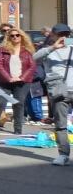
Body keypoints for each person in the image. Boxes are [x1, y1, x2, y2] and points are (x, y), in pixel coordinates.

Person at [34, 23, 72, 165]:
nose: (63, 37)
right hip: (58, 91)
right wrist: (53, 47)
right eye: (60, 34)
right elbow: (32, 59)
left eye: (66, 34)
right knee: (60, 125)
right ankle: (63, 155)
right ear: (53, 35)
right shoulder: (47, 51)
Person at [0, 28, 37, 135]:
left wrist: (22, 77)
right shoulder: (2, 49)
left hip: (22, 82)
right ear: (8, 37)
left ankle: (18, 129)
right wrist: (8, 77)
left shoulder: (28, 50)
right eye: (12, 36)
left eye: (17, 35)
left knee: (18, 103)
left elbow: (32, 66)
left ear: (22, 36)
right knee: (0, 103)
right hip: (5, 81)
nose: (15, 37)